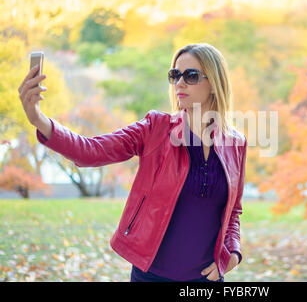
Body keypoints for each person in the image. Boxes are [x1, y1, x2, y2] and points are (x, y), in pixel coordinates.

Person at [18, 43, 247, 282]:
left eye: (190, 76)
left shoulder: (236, 144)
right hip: (152, 276)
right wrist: (38, 119)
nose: (179, 83)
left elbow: (233, 212)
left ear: (214, 83)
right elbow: (91, 151)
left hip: (206, 280)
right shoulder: (155, 128)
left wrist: (232, 255)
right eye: (175, 75)